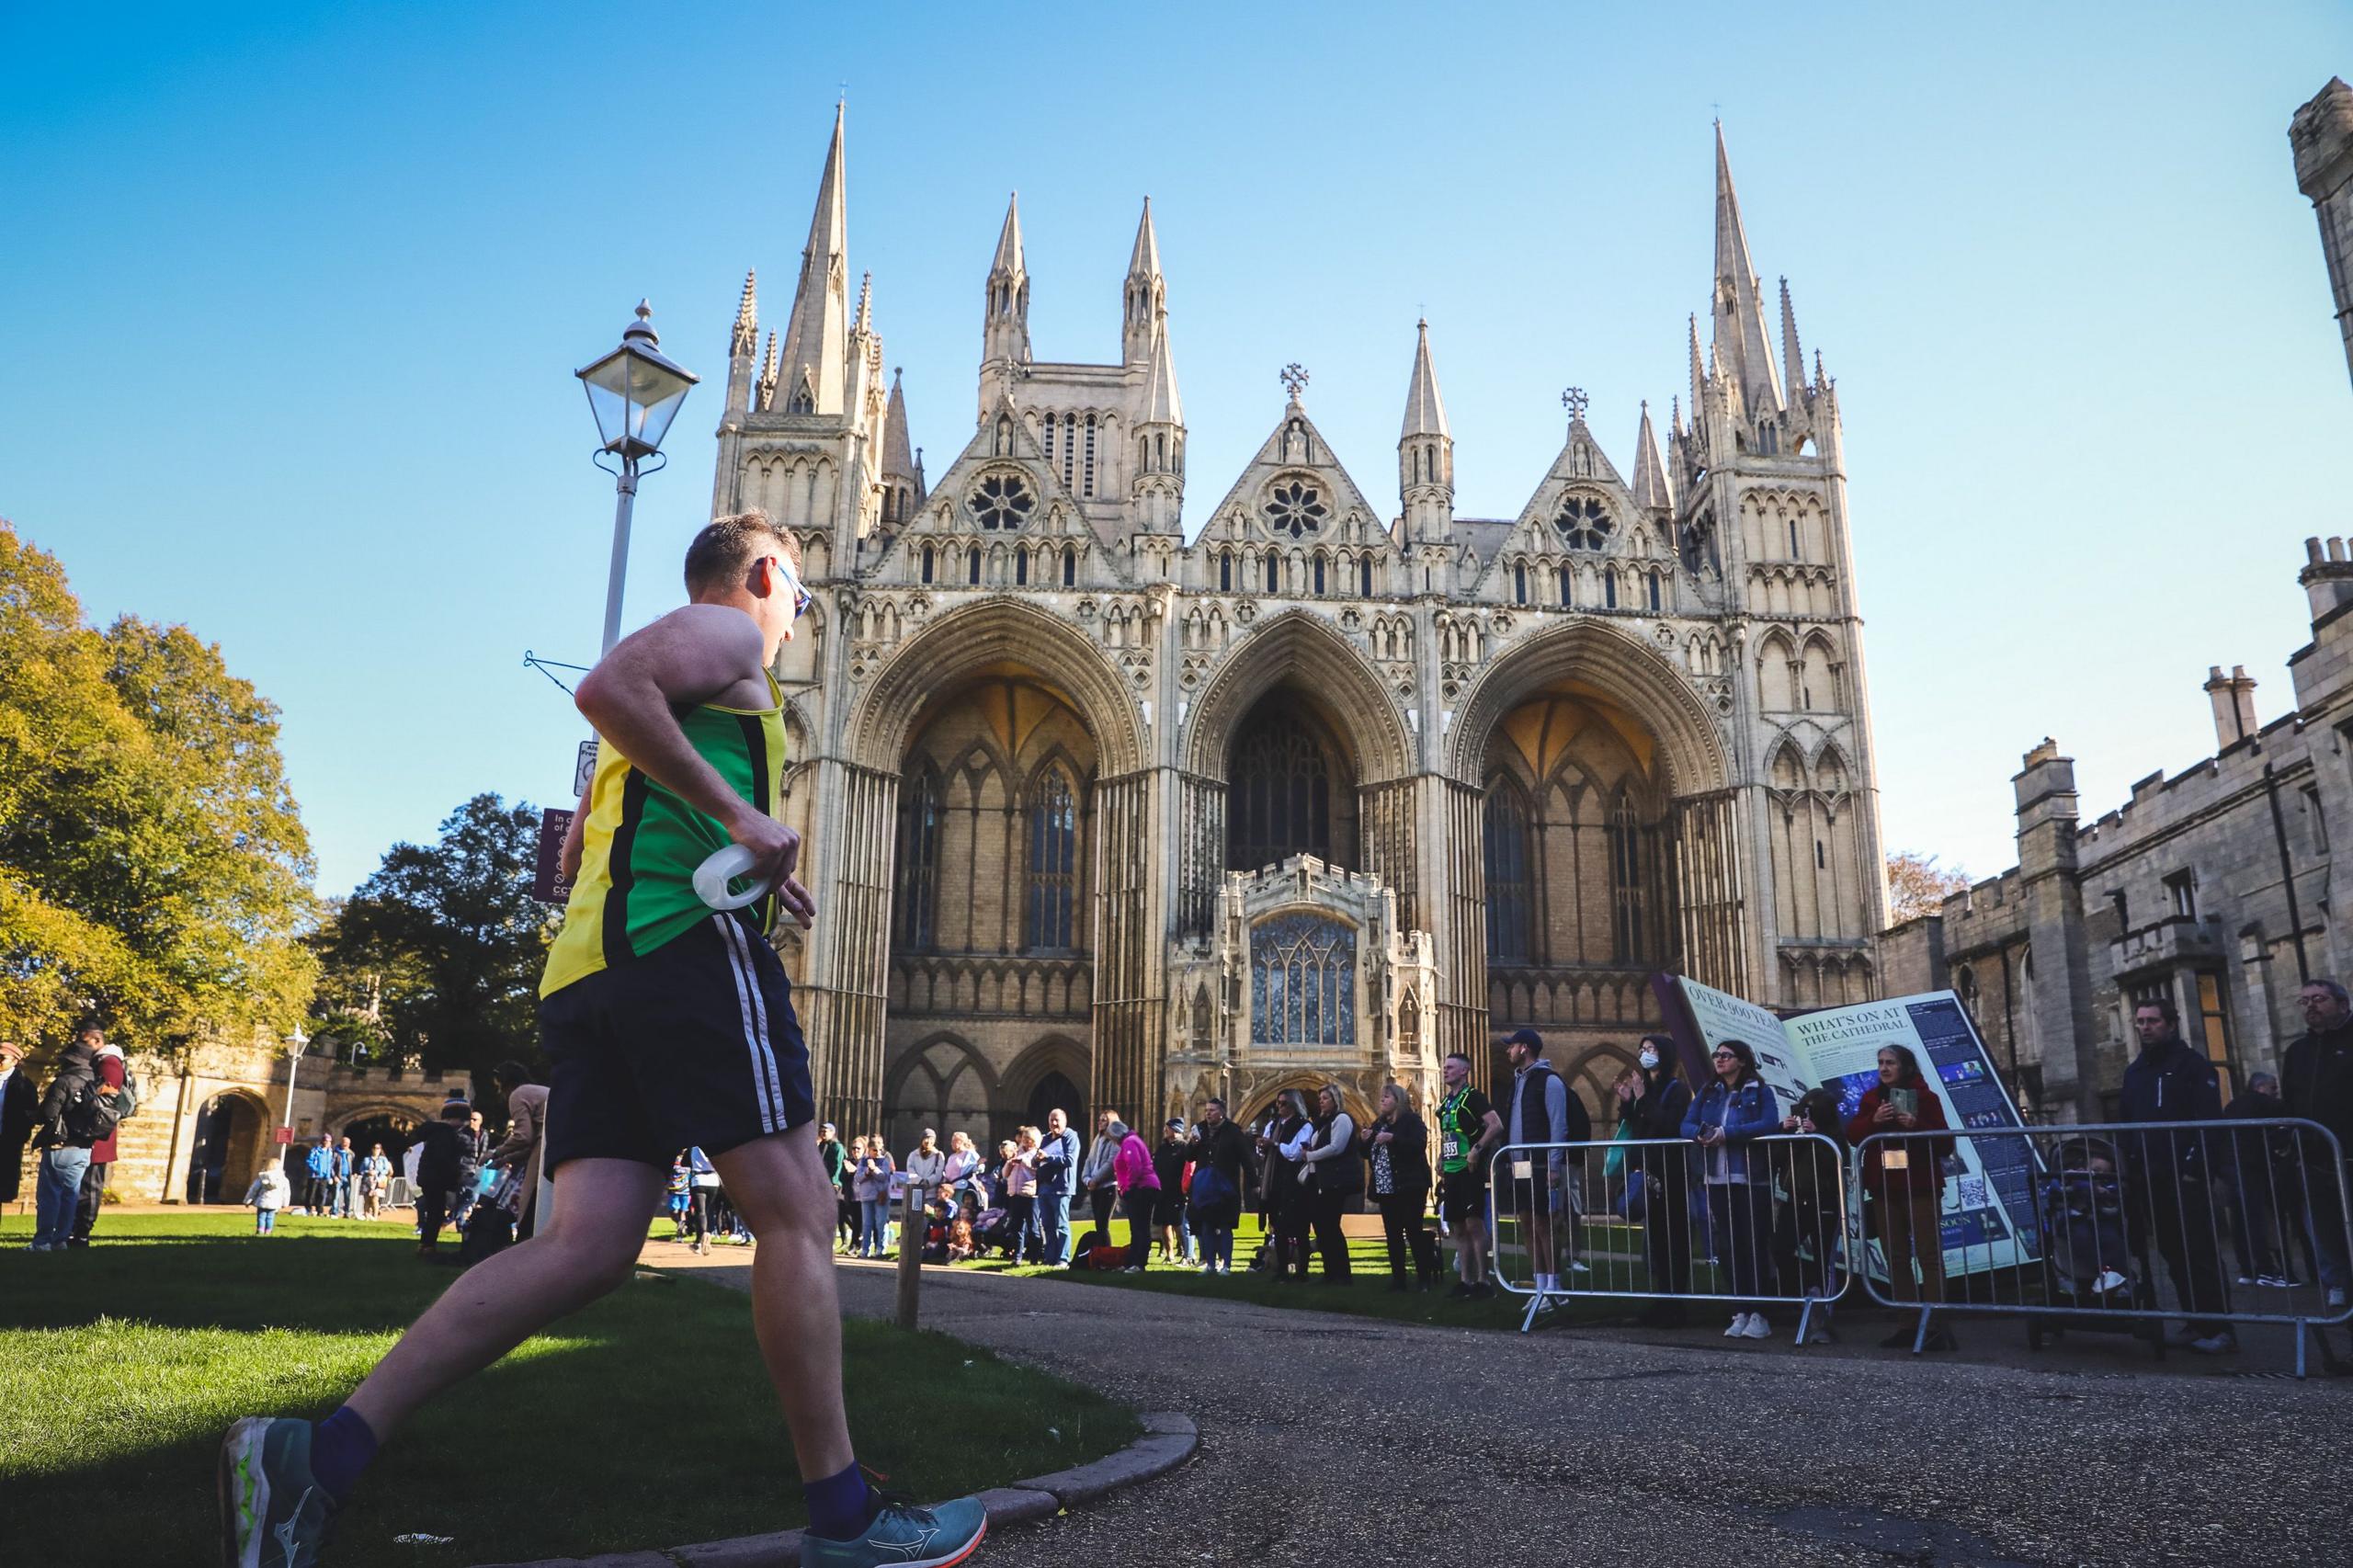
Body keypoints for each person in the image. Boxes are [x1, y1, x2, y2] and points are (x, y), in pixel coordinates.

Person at [219, 514, 987, 1568]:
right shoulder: (723, 637)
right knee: (800, 1212)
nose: (800, 615)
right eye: (800, 595)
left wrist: (734, 835)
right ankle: (846, 1514)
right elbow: (602, 687)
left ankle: (319, 1454)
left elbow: (589, 834)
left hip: (593, 972)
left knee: (584, 1245)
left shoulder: (684, 697)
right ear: (765, 573)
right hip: (684, 951)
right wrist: (740, 813)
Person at [2117, 1000, 2234, 1354]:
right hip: (2150, 1179)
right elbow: (2125, 1123)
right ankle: (2195, 1322)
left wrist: (2194, 1168)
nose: (2145, 1027)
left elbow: (2208, 1122)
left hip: (2184, 1177)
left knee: (2199, 1252)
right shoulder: (2135, 1072)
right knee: (2172, 1253)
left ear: (2170, 1024)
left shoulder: (2192, 1066)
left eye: (2153, 1021)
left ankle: (2220, 1327)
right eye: (2140, 1021)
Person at [1846, 1044, 1958, 1350]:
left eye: (1890, 1063)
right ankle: (1907, 1324)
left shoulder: (1925, 1097)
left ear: (1905, 1067)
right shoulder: (1872, 1099)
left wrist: (1917, 1126)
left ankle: (1935, 1324)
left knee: (1928, 1255)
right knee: (1896, 1257)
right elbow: (1854, 1135)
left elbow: (1945, 1143)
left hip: (1919, 1186)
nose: (1883, 1068)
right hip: (1884, 1188)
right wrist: (1874, 1121)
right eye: (1880, 1062)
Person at [1683, 1039, 1781, 1339]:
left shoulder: (1760, 1091)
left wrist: (1727, 1134)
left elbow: (1768, 1124)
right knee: (1729, 1247)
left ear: (1742, 1060)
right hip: (1718, 1179)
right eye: (1717, 1055)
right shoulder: (1708, 1092)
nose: (1719, 1060)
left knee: (1753, 1246)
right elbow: (1686, 1124)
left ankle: (1760, 1314)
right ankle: (1740, 1310)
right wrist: (1703, 1134)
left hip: (1751, 1178)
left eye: (1726, 1055)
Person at [2280, 978, 2353, 1310]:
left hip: (2349, 1153)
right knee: (2324, 1227)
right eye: (2305, 1000)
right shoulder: (2298, 1052)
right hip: (2314, 1155)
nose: (2311, 1006)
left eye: (2319, 999)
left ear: (2342, 1004)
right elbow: (2291, 1102)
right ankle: (2338, 1282)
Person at [1500, 1028, 1586, 1306]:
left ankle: (1554, 1286)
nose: (1507, 1051)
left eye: (1511, 1046)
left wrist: (1553, 1165)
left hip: (1540, 1165)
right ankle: (1539, 1286)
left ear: (1524, 1048)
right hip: (1520, 1164)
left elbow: (1558, 1125)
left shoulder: (1549, 1082)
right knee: (1527, 1223)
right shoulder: (1516, 1082)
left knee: (1545, 1224)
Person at [1617, 1035, 1694, 1324]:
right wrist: (1627, 1103)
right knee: (1658, 1239)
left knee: (1675, 1237)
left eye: (1651, 1049)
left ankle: (1678, 1303)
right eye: (1643, 1049)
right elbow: (1639, 1126)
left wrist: (1640, 1098)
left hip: (1670, 1171)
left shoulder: (1677, 1090)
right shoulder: (1647, 1089)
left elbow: (1668, 1124)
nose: (1645, 1053)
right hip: (1648, 1169)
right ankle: (1664, 1299)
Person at [2217, 1072, 2306, 1289]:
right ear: (2260, 1087)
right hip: (2248, 1166)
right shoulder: (2263, 1102)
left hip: (2228, 1166)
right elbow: (2291, 1112)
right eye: (2273, 1087)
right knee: (2257, 1217)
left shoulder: (2232, 1105)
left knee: (2241, 1218)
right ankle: (2266, 1269)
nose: (2276, 1092)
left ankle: (2249, 1269)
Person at [28, 1026, 111, 1253]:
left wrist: (31, 1115)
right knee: (70, 1195)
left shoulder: (65, 1081)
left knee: (49, 1195)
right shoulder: (96, 1081)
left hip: (60, 1144)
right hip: (84, 1146)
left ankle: (43, 1241)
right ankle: (61, 1240)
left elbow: (48, 1114)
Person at [1776, 1085, 1847, 1343]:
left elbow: (1836, 1162)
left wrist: (1818, 1136)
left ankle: (1824, 1318)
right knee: (1781, 1248)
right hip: (1795, 1200)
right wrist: (1783, 1131)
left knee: (1823, 1259)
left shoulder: (1833, 1136)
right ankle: (1806, 1293)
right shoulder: (1795, 1135)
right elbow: (1778, 1158)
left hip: (1824, 1201)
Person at [1435, 1052, 1502, 1301]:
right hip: (1451, 1172)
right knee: (1458, 1227)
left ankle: (1483, 1280)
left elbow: (1496, 1125)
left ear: (1464, 1071)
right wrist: (1442, 1157)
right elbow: (1450, 1135)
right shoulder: (1446, 1102)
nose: (1445, 1070)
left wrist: (1477, 1149)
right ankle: (1465, 1280)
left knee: (1474, 1224)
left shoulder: (1474, 1097)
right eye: (1444, 1067)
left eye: (1450, 1067)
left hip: (1469, 1170)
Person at [1369, 1084, 1441, 1291]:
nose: (1382, 1100)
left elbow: (1418, 1144)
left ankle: (1423, 1279)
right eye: (1381, 1097)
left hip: (1410, 1185)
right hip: (1386, 1187)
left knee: (1413, 1232)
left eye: (1387, 1097)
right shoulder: (1380, 1123)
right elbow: (1367, 1151)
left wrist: (1393, 1139)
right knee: (1392, 1235)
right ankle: (1399, 1280)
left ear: (1398, 1101)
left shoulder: (1411, 1121)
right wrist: (1364, 1140)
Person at [1290, 1085, 1361, 1283]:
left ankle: (1342, 1274)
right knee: (1322, 1228)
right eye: (1320, 1098)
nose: (1320, 1101)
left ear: (1335, 1100)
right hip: (1318, 1180)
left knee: (1331, 1227)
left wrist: (1310, 1155)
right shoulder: (1322, 1123)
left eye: (1325, 1098)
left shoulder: (1342, 1119)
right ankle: (1330, 1272)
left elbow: (1336, 1148)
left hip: (1334, 1181)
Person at [1185, 1099, 1251, 1275]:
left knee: (1225, 1225)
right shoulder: (1200, 1130)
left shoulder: (1233, 1131)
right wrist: (1193, 1143)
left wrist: (1254, 1183)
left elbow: (1246, 1158)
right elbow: (1189, 1157)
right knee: (1207, 1224)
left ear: (1221, 1112)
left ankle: (1227, 1265)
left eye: (1212, 1110)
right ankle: (1211, 1265)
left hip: (1225, 1185)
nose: (1208, 1113)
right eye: (1206, 1110)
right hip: (1205, 1185)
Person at [487, 1060, 549, 1242]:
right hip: (557, 1141)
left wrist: (495, 1153)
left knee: (530, 1200)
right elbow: (530, 1145)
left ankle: (524, 1240)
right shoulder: (538, 1091)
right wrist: (503, 1159)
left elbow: (523, 1137)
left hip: (547, 1142)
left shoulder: (519, 1094)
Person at [1257, 1090, 1313, 1280]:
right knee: (1278, 1228)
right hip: (1274, 1183)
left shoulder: (1304, 1126)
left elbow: (1296, 1153)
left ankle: (1302, 1271)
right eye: (1278, 1103)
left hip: (1294, 1183)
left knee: (1299, 1230)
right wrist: (1262, 1146)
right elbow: (1263, 1153)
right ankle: (1282, 1270)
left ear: (1294, 1105)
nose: (1279, 1107)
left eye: (1284, 1104)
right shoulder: (1273, 1124)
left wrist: (1274, 1144)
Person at [410, 1102, 469, 1259]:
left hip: (428, 1177)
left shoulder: (435, 1133)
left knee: (433, 1212)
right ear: (455, 1118)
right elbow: (444, 1159)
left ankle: (425, 1244)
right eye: (463, 1120)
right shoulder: (446, 1134)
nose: (465, 1124)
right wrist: (455, 1176)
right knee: (436, 1214)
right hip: (436, 1178)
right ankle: (428, 1246)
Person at [1110, 1118, 1161, 1271]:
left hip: (1142, 1188)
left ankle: (1139, 1263)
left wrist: (1130, 1187)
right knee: (1137, 1227)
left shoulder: (1130, 1142)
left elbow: (1135, 1166)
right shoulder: (1131, 1141)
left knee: (1140, 1227)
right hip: (1140, 1187)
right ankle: (1132, 1262)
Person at [1034, 1108, 1081, 1266]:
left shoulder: (1070, 1137)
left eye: (1057, 1120)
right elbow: (1038, 1159)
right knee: (1047, 1225)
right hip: (1045, 1187)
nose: (1054, 1123)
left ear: (1065, 1121)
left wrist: (1048, 1156)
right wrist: (1036, 1158)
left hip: (1061, 1187)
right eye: (1051, 1120)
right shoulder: (1046, 1138)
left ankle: (1062, 1259)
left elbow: (1069, 1160)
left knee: (1061, 1225)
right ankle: (1050, 1258)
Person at [0, 1039, 41, 1210]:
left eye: (3, 1058)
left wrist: (18, 1137)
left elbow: (30, 1115)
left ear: (15, 1061)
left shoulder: (24, 1085)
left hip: (7, 1142)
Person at [1153, 1119, 1193, 1265]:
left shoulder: (1184, 1147)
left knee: (1178, 1224)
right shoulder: (1163, 1148)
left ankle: (1184, 1251)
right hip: (1162, 1191)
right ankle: (1169, 1254)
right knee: (1165, 1224)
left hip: (1178, 1192)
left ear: (1176, 1130)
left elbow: (1189, 1169)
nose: (1165, 1130)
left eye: (1168, 1128)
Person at [1080, 1108, 1122, 1241]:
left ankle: (1106, 1255)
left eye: (1104, 1120)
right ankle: (1100, 1254)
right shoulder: (1098, 1139)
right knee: (1099, 1224)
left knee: (1103, 1225)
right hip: (1095, 1187)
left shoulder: (1115, 1141)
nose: (1099, 1122)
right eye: (1100, 1119)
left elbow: (1111, 1164)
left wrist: (1095, 1180)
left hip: (1108, 1186)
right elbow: (1089, 1160)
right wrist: (1087, 1179)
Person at [999, 1131, 1040, 1263]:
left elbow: (1037, 1170)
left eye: (1029, 1138)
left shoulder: (1037, 1153)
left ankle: (1034, 1258)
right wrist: (1010, 1163)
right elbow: (1004, 1174)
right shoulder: (1017, 1152)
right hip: (1015, 1193)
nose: (1026, 1141)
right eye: (1024, 1138)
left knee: (1033, 1228)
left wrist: (1025, 1162)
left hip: (1030, 1194)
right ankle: (1017, 1257)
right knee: (1016, 1228)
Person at [853, 1137, 895, 1258]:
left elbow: (884, 1177)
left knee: (881, 1223)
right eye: (874, 1150)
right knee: (867, 1224)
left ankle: (881, 1249)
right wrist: (867, 1171)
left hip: (880, 1197)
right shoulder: (863, 1161)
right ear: (869, 1150)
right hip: (866, 1196)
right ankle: (865, 1250)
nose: (877, 1153)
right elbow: (857, 1178)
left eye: (879, 1150)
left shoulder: (884, 1161)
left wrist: (874, 1169)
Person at [449, 1109, 489, 1231]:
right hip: (463, 1169)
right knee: (464, 1196)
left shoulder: (484, 1134)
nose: (472, 1121)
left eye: (475, 1119)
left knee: (472, 1197)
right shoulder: (462, 1133)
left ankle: (450, 1218)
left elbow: (484, 1151)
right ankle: (460, 1225)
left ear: (480, 1121)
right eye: (471, 1119)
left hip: (477, 1169)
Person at [938, 1131, 983, 1211]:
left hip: (962, 1187)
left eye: (954, 1141)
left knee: (961, 1210)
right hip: (950, 1189)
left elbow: (979, 1166)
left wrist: (978, 1166)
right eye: (952, 1141)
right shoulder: (951, 1157)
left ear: (961, 1142)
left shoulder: (970, 1154)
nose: (952, 1143)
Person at [246, 1158, 292, 1235]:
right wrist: (285, 1203)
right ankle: (268, 1231)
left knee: (261, 1217)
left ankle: (260, 1230)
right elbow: (286, 1192)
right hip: (275, 1202)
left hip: (263, 1201)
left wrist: (247, 1200)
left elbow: (254, 1189)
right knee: (270, 1217)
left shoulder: (262, 1177)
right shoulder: (283, 1179)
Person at [361, 1145, 393, 1221]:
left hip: (378, 1181)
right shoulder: (366, 1159)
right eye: (375, 1148)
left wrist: (377, 1173)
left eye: (378, 1148)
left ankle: (375, 1217)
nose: (376, 1150)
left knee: (375, 1199)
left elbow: (386, 1170)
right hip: (367, 1181)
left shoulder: (383, 1159)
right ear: (372, 1149)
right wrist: (368, 1172)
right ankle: (367, 1216)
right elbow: (361, 1169)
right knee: (367, 1199)